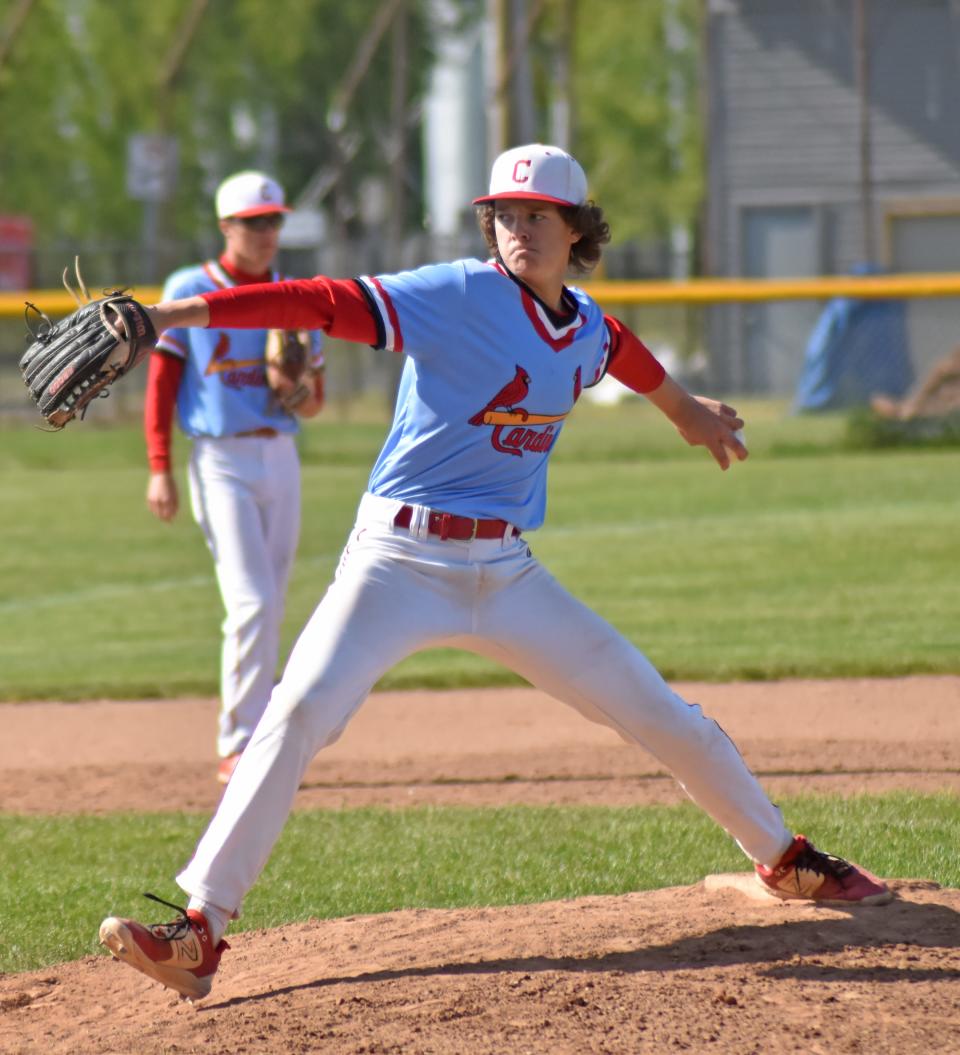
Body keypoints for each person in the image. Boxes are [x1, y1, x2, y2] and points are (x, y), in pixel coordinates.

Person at [101, 144, 892, 1001]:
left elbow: (613, 345)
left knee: (659, 712)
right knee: (292, 715)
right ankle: (200, 927)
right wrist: (171, 314)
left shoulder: (582, 323)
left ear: (577, 229)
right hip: (396, 560)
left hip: (506, 570)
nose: (517, 229)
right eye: (504, 215)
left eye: (537, 215)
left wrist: (686, 411)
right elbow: (321, 302)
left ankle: (782, 858)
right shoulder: (458, 293)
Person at [144, 170, 325, 785]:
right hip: (219, 460)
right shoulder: (190, 288)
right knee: (251, 602)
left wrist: (297, 388)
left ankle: (262, 735)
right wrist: (159, 468)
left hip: (280, 455)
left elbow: (316, 402)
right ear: (227, 227)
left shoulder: (297, 291)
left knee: (272, 604)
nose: (267, 232)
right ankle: (240, 743)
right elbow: (163, 382)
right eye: (255, 223)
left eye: (275, 220)